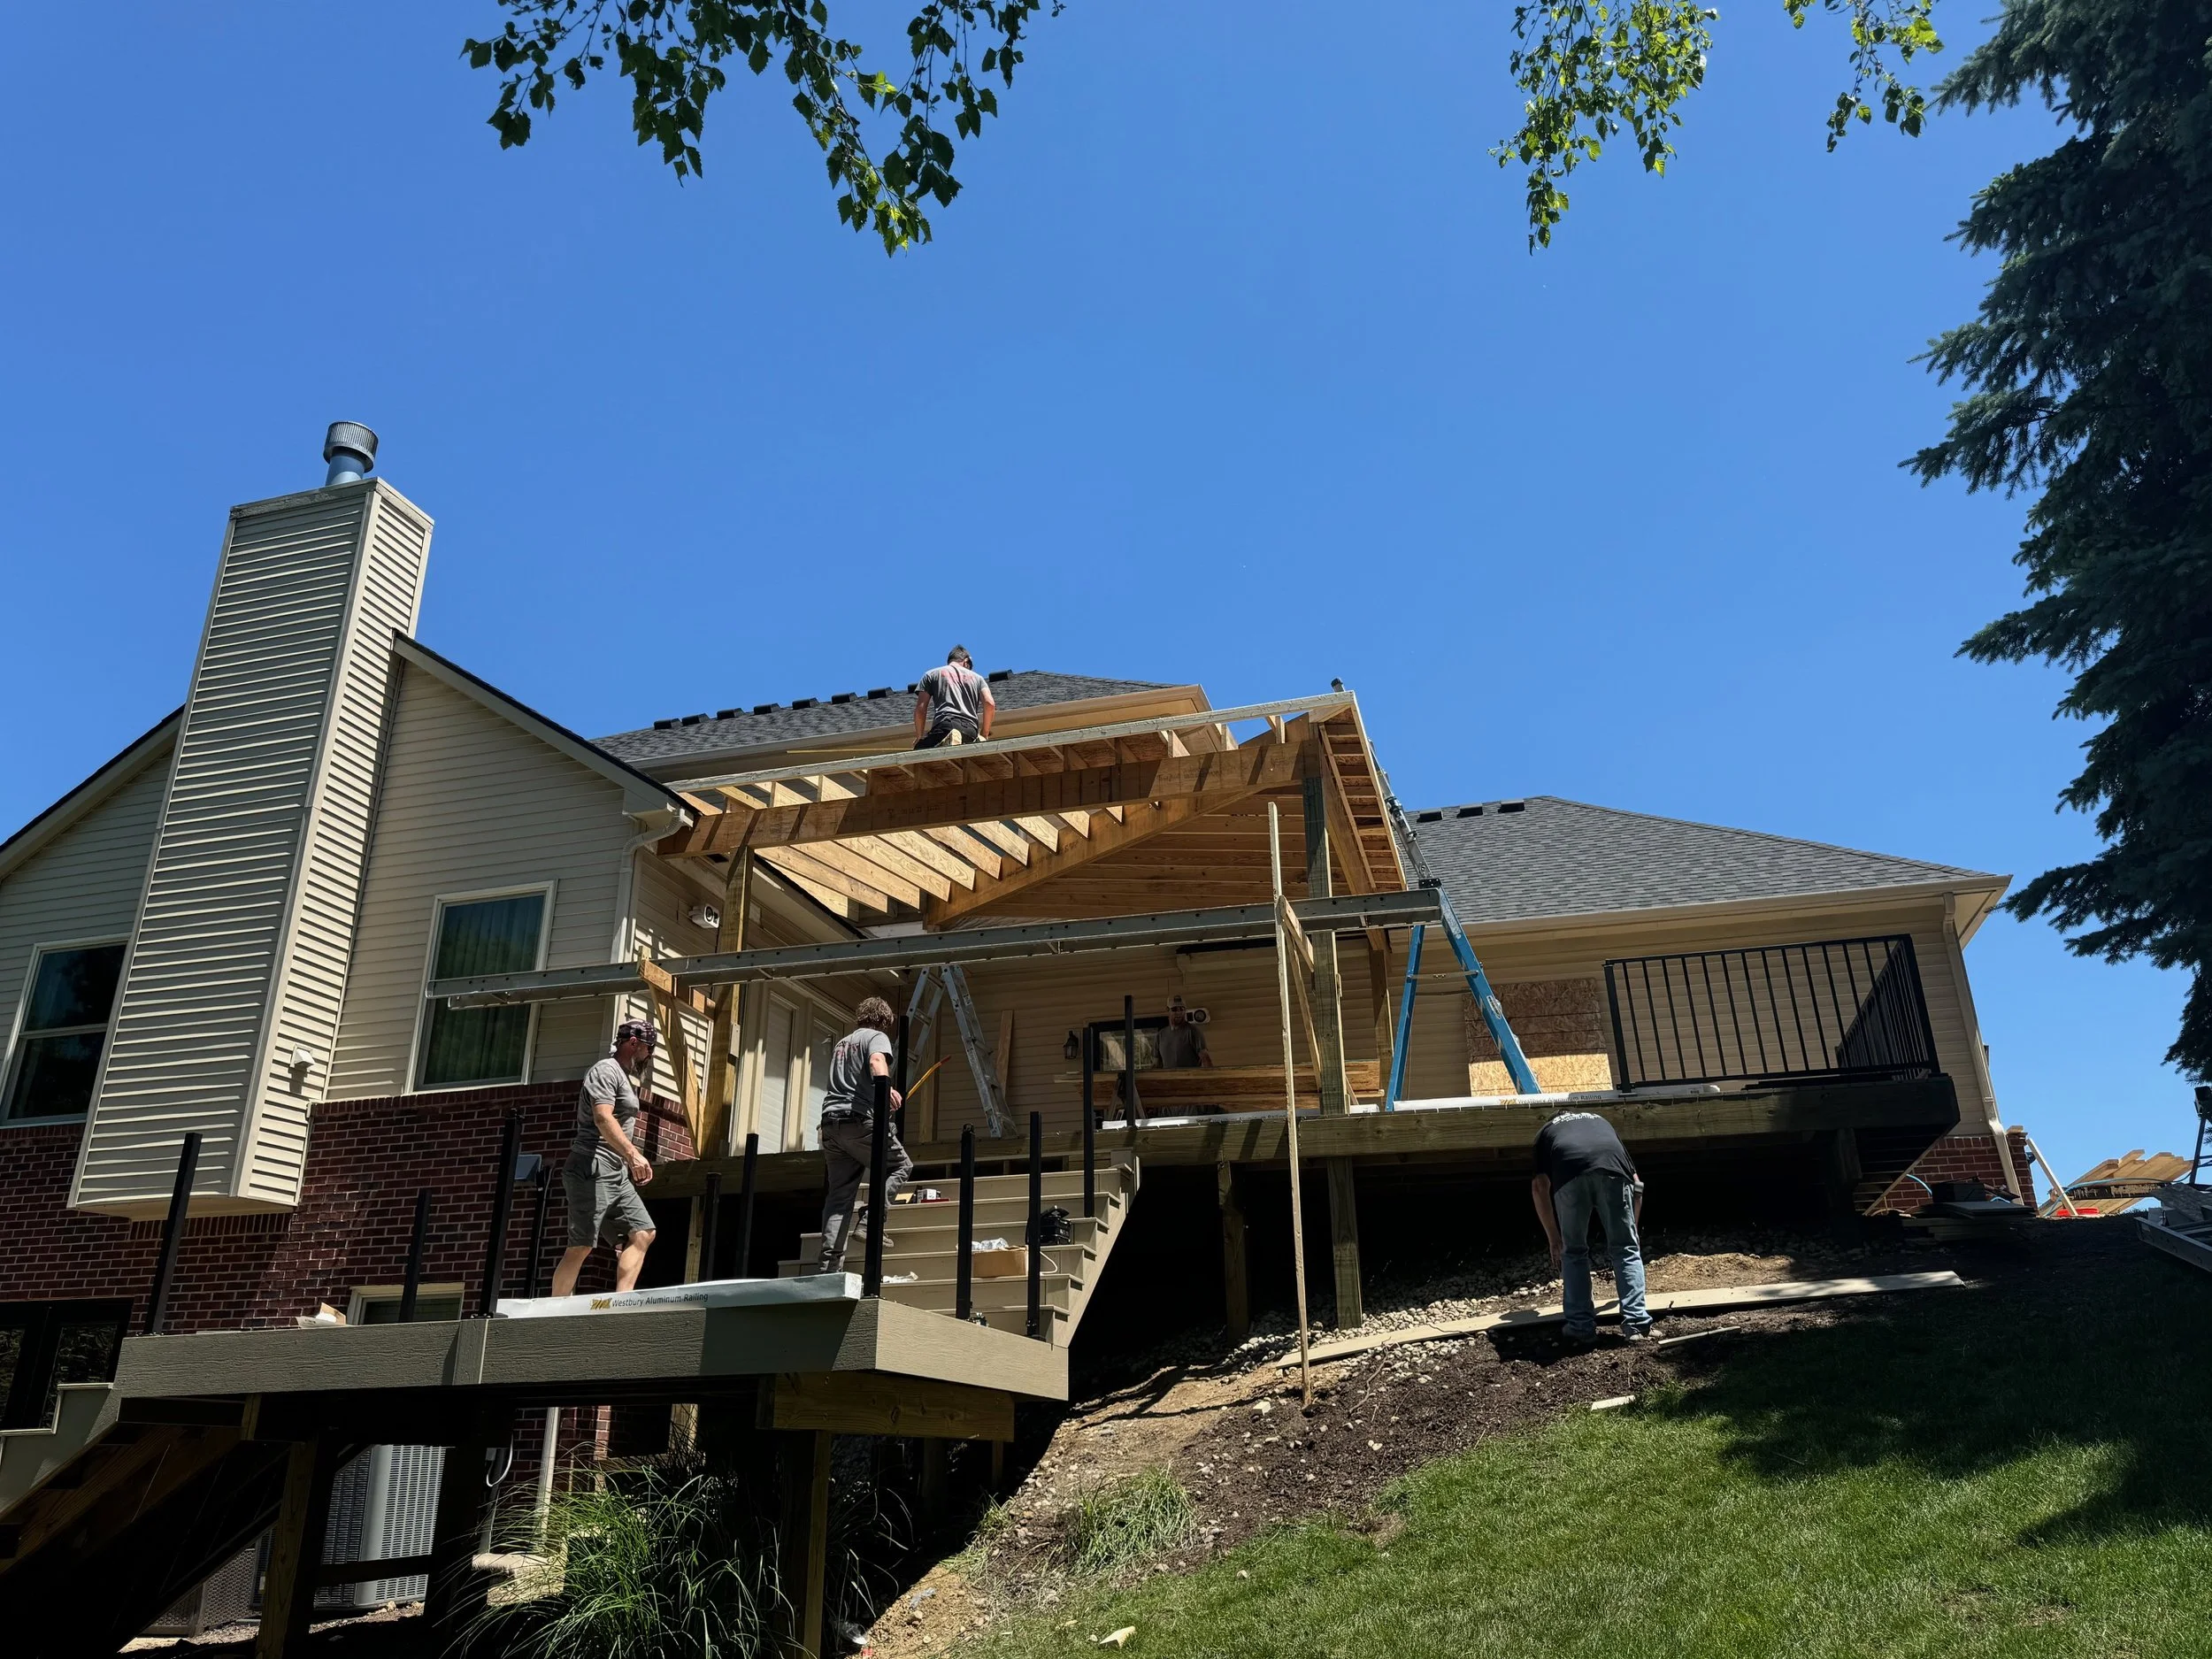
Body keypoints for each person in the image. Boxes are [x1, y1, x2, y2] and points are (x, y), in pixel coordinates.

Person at [553, 1018, 659, 1296]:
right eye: (649, 1048)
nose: (649, 1055)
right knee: (582, 1245)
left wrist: (627, 1160)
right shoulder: (605, 1071)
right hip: (592, 1164)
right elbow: (602, 1118)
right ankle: (552, 1312)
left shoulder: (624, 1076)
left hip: (616, 1171)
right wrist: (634, 1154)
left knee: (642, 1233)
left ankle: (620, 1304)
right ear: (634, 1043)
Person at [1530, 1110, 1652, 1344]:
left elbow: (1539, 1187)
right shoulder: (1601, 1121)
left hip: (1569, 1173)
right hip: (1614, 1170)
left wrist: (1554, 1238)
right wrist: (1632, 1231)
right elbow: (1637, 1184)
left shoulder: (1546, 1131)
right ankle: (1637, 1326)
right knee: (1626, 1249)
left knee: (1574, 1252)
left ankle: (1581, 1328)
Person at [817, 996, 913, 1273]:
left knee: (839, 1196)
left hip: (830, 1126)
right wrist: (886, 1088)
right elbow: (876, 1061)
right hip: (858, 1121)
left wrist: (878, 1097)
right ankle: (871, 1222)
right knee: (901, 1165)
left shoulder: (841, 1044)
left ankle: (828, 1267)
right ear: (884, 1021)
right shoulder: (877, 1037)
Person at [913, 646, 995, 749]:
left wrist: (919, 737)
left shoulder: (931, 674)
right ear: (966, 662)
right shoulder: (978, 679)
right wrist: (984, 733)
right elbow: (989, 703)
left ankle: (953, 736)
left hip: (946, 726)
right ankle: (954, 738)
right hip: (971, 732)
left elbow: (920, 709)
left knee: (920, 752)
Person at [1154, 995, 1213, 1070]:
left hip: (1190, 1079)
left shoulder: (1193, 1031)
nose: (1178, 1012)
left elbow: (1205, 1058)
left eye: (1181, 1009)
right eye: (1174, 1009)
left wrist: (1210, 1078)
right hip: (1169, 1080)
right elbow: (1156, 1065)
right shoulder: (1160, 1035)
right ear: (1167, 1010)